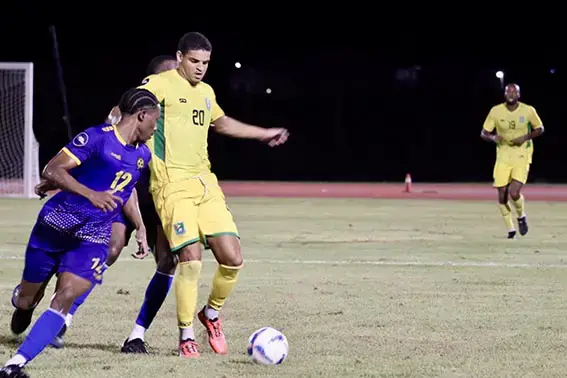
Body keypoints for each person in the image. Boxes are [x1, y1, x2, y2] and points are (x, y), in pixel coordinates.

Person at [121, 32, 289, 358]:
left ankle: (210, 314)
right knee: (191, 261)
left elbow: (222, 124)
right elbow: (131, 102)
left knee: (233, 257)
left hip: (205, 184)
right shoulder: (161, 82)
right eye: (194, 61)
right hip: (171, 186)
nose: (200, 68)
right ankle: (186, 336)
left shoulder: (207, 92)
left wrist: (263, 134)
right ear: (180, 57)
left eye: (205, 63)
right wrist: (115, 120)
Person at [0, 88, 158, 378]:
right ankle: (23, 300)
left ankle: (14, 365)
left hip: (93, 237)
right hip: (55, 228)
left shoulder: (143, 155)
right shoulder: (97, 137)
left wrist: (141, 226)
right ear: (142, 115)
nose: (156, 128)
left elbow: (125, 190)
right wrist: (89, 193)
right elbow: (53, 168)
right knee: (27, 301)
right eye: (155, 121)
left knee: (66, 297)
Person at [42, 55, 179, 349]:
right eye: (170, 75)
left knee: (169, 260)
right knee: (111, 248)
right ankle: (62, 316)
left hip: (164, 192)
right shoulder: (130, 110)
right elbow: (100, 149)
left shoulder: (185, 108)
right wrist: (58, 177)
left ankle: (137, 336)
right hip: (127, 189)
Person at [480, 83, 544, 238]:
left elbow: (540, 129)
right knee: (502, 195)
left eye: (514, 92)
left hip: (522, 154)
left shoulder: (528, 110)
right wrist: (493, 137)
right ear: (504, 95)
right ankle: (511, 230)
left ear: (519, 95)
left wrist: (525, 137)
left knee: (514, 192)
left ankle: (521, 216)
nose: (511, 94)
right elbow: (484, 133)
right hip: (503, 154)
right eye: (508, 91)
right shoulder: (496, 111)